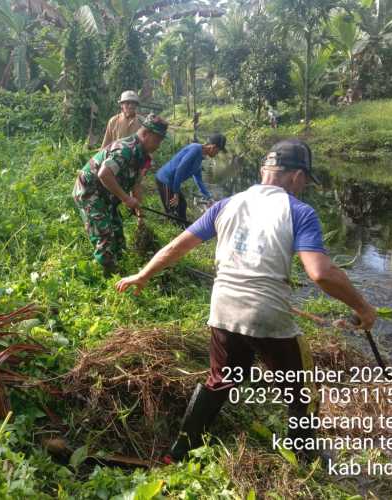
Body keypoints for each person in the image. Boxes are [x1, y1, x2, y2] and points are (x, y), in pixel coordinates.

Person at [116, 139, 377, 462]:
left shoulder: (226, 204)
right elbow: (320, 273)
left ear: (263, 171)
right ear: (296, 176)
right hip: (267, 315)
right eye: (306, 179)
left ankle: (181, 450)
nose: (305, 186)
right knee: (300, 389)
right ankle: (305, 458)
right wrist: (363, 307)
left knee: (220, 380)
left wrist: (142, 275)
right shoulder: (299, 211)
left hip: (223, 309)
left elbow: (176, 248)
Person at [74, 114, 169, 273]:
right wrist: (125, 198)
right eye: (157, 140)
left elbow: (136, 183)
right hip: (89, 190)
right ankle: (108, 276)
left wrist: (140, 214)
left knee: (118, 231)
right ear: (145, 134)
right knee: (105, 233)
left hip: (106, 193)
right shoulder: (126, 149)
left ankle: (120, 264)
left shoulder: (142, 155)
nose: (158, 145)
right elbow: (104, 174)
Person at [155, 133, 227, 228]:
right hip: (165, 180)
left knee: (183, 205)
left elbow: (199, 181)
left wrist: (209, 197)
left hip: (172, 182)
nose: (217, 154)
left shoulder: (200, 158)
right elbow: (180, 169)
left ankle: (184, 229)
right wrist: (176, 193)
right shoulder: (195, 149)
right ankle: (174, 232)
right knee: (173, 210)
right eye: (218, 151)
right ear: (213, 147)